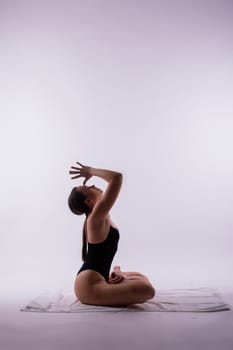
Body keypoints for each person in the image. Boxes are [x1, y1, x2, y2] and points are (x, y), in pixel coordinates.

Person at [68, 161, 155, 306]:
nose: (94, 185)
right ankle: (117, 277)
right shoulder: (96, 217)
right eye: (88, 187)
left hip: (97, 278)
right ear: (89, 201)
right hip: (89, 286)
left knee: (141, 276)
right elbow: (116, 177)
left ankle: (116, 273)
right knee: (147, 290)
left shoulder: (99, 216)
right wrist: (90, 170)